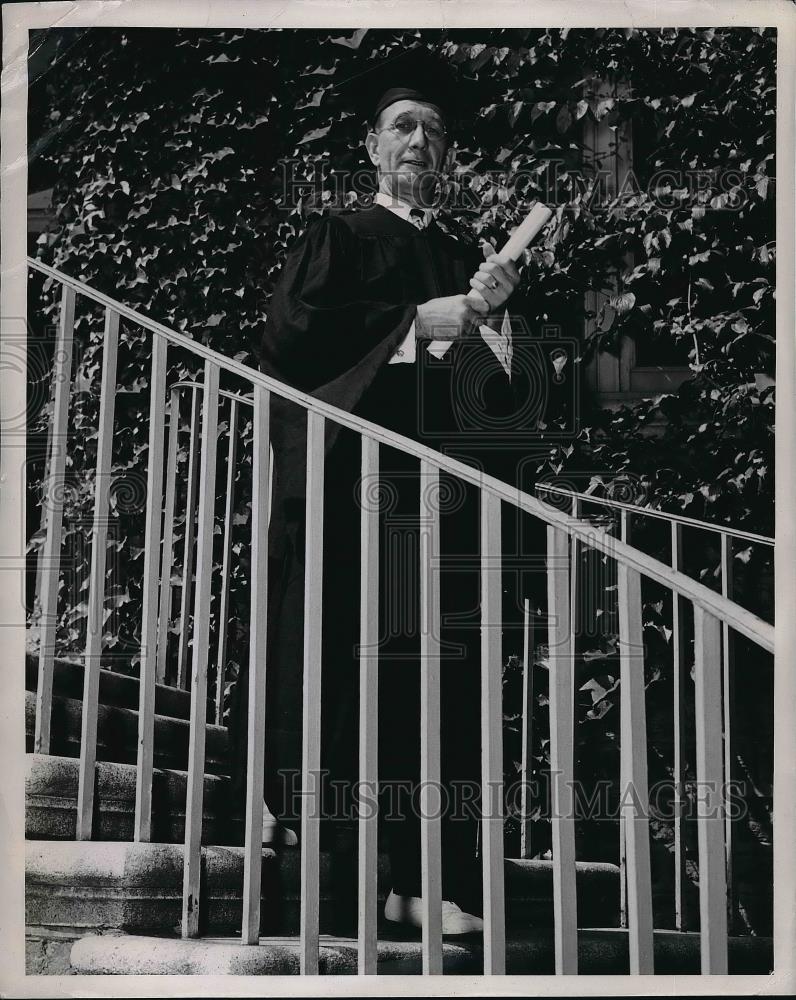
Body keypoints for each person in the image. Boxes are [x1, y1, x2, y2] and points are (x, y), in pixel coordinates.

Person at [228, 47, 535, 935]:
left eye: (436, 131)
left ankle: (425, 878)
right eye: (404, 125)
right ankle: (331, 864)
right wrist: (412, 324)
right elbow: (292, 342)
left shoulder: (471, 264)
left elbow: (503, 408)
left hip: (438, 516)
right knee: (348, 673)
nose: (421, 141)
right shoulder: (340, 237)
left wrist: (499, 322)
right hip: (350, 500)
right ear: (370, 146)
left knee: (433, 690)